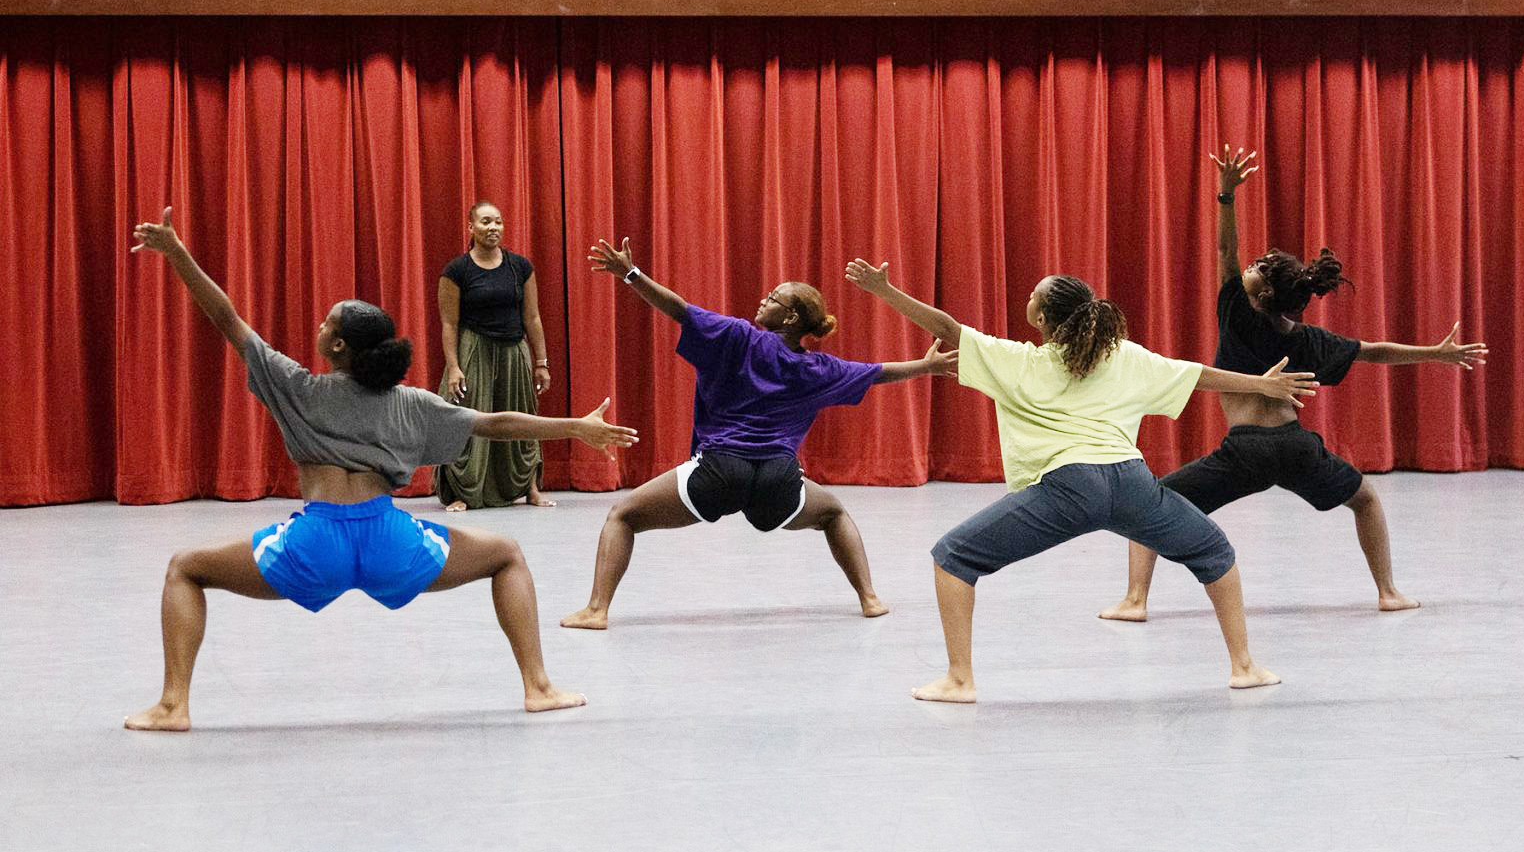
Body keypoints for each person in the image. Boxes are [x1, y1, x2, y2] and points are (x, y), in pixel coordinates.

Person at [123, 208, 638, 731]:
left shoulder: (297, 388)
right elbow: (494, 423)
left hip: (314, 545)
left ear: (338, 345)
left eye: (327, 322)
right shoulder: (408, 403)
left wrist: (177, 254)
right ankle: (540, 688)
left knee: (185, 568)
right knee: (506, 556)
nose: (320, 325)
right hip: (390, 540)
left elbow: (227, 319)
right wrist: (575, 426)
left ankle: (172, 706)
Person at [845, 258, 1319, 702]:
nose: (1028, 297)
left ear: (1042, 318)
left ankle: (959, 679)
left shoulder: (1018, 360)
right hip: (1131, 484)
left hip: (1067, 488)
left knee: (953, 557)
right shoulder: (1125, 357)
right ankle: (1244, 667)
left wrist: (886, 292)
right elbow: (1195, 376)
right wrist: (1261, 384)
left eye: (1034, 295)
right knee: (1215, 553)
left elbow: (947, 329)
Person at [1099, 147, 1488, 623]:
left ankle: (1135, 601)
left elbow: (1225, 252)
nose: (1248, 266)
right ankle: (1388, 592)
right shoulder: (1307, 339)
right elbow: (1372, 350)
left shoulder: (1238, 315)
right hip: (1294, 445)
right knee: (1364, 498)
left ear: (1261, 295)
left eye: (1256, 267)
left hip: (1246, 451)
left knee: (1152, 503)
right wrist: (1435, 353)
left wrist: (1226, 195)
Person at [559, 237, 959, 631]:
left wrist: (630, 273)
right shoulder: (818, 368)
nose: (763, 300)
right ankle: (870, 599)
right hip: (778, 478)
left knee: (623, 516)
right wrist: (926, 367)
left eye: (773, 298)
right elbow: (878, 373)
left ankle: (596, 610)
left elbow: (678, 309)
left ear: (790, 318)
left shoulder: (736, 336)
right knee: (834, 514)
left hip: (719, 470)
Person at [436, 201, 556, 510]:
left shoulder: (520, 267)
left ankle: (530, 488)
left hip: (514, 353)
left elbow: (533, 318)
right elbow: (449, 323)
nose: (493, 228)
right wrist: (454, 367)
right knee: (469, 419)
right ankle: (463, 492)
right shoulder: (456, 271)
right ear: (471, 228)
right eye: (486, 222)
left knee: (523, 419)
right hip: (474, 351)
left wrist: (540, 362)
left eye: (499, 222)